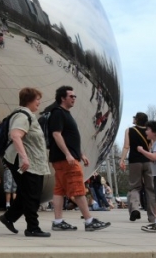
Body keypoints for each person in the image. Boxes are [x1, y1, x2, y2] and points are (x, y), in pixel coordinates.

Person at [47, 86, 110, 232]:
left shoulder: (66, 114)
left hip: (66, 158)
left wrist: (81, 154)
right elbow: (57, 134)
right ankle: (89, 221)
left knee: (59, 190)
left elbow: (71, 139)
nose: (74, 98)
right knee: (78, 189)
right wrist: (68, 154)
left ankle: (58, 221)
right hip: (66, 159)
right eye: (71, 96)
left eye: (75, 96)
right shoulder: (58, 113)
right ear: (62, 98)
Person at [0, 87, 51, 237]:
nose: (39, 103)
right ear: (29, 100)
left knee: (26, 193)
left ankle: (8, 218)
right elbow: (15, 135)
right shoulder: (23, 115)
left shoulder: (28, 115)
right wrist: (25, 157)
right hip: (24, 162)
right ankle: (32, 227)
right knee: (32, 195)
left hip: (31, 162)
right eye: (37, 100)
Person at [120, 112, 156, 223]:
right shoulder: (149, 131)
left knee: (134, 187)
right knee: (150, 188)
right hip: (147, 161)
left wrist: (122, 159)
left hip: (134, 161)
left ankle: (135, 208)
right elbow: (150, 147)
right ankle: (152, 216)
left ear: (137, 120)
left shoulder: (129, 130)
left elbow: (126, 146)